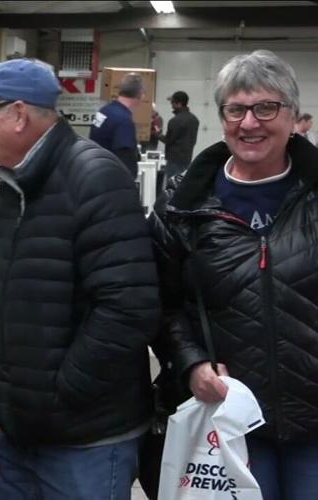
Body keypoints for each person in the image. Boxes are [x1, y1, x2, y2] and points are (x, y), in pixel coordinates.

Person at [0, 58, 159, 499]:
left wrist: (60, 393)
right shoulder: (14, 185)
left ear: (19, 114)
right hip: (21, 429)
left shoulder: (95, 178)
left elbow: (128, 309)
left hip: (84, 441)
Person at [150, 49, 318, 499]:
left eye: (266, 108)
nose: (250, 123)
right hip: (228, 419)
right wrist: (190, 365)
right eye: (236, 109)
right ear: (221, 116)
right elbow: (162, 304)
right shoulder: (183, 207)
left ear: (293, 115)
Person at [90, 72, 145, 178]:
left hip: (96, 172)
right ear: (139, 93)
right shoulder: (124, 121)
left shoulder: (104, 111)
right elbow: (124, 158)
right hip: (112, 179)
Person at [159, 90, 200, 182]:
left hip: (174, 160)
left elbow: (169, 140)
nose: (171, 104)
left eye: (172, 102)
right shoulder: (194, 120)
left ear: (179, 103)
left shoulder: (175, 121)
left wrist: (157, 134)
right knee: (181, 183)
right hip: (187, 158)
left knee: (171, 185)